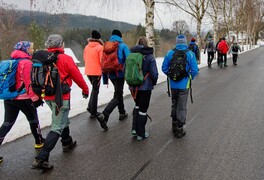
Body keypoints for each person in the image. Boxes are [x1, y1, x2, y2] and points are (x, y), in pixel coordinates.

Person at [32, 34, 89, 170]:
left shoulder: (42, 59)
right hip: (61, 98)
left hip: (47, 97)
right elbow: (77, 76)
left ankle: (67, 141)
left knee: (62, 118)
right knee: (57, 126)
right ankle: (42, 158)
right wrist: (85, 89)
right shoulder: (65, 59)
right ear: (60, 45)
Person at [0, 41, 45, 162]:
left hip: (10, 98)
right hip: (24, 98)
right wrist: (35, 98)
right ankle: (39, 141)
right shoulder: (26, 63)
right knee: (33, 120)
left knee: (7, 123)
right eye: (31, 48)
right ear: (25, 49)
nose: (32, 50)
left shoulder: (11, 60)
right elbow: (28, 83)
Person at [162, 34, 198, 138]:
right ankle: (179, 129)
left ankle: (173, 124)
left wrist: (171, 76)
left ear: (176, 42)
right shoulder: (190, 54)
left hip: (173, 85)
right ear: (185, 42)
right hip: (184, 85)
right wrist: (189, 77)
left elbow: (164, 68)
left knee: (174, 103)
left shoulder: (170, 53)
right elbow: (195, 70)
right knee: (181, 107)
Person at [96, 29, 130, 130]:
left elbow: (103, 63)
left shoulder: (106, 46)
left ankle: (122, 112)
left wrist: (105, 79)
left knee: (118, 93)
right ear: (120, 36)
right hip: (120, 74)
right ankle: (105, 114)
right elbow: (129, 60)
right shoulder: (123, 46)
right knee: (117, 95)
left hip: (111, 75)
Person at [129, 36, 158, 141]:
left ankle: (134, 129)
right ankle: (141, 133)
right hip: (145, 87)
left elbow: (125, 70)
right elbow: (154, 73)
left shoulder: (131, 55)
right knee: (143, 109)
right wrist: (152, 83)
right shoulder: (149, 57)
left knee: (137, 106)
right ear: (146, 44)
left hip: (133, 87)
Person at [83, 30, 104, 118]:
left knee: (94, 89)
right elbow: (101, 60)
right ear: (99, 38)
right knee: (96, 90)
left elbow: (84, 58)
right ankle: (93, 111)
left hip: (88, 71)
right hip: (97, 72)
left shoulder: (87, 47)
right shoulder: (100, 47)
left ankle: (90, 107)